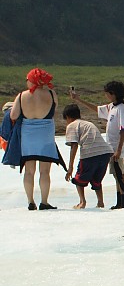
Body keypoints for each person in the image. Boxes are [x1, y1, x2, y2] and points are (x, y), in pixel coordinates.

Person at [6, 68, 66, 210]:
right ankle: (44, 201)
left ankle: (30, 202)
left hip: (28, 136)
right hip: (45, 135)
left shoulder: (21, 96)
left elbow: (13, 116)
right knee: (45, 171)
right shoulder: (51, 94)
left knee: (29, 171)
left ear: (32, 80)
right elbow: (54, 110)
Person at [69, 81, 124, 209]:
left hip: (116, 148)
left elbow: (123, 130)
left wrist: (118, 150)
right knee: (115, 174)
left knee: (119, 174)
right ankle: (119, 201)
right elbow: (97, 109)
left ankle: (123, 202)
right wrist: (78, 99)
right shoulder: (111, 107)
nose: (106, 96)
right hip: (110, 148)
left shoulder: (121, 109)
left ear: (113, 94)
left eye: (107, 94)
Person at [62, 104, 112, 209]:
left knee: (78, 179)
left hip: (90, 153)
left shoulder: (72, 125)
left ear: (68, 117)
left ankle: (82, 202)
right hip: (105, 153)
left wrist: (70, 167)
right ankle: (100, 202)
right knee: (96, 179)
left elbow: (74, 145)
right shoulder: (88, 123)